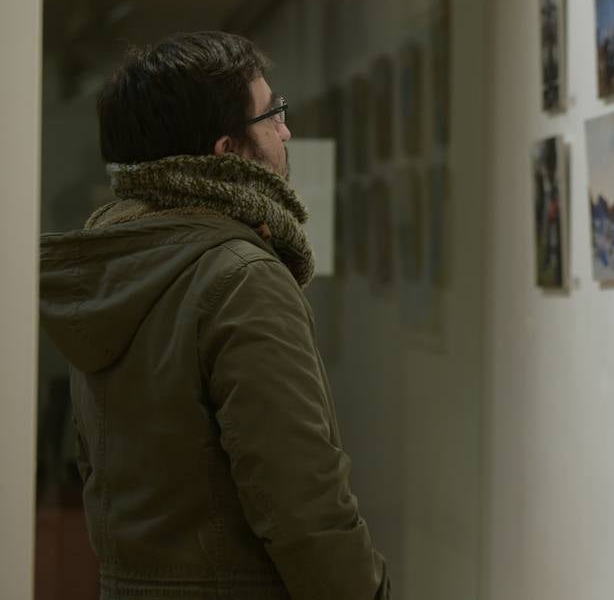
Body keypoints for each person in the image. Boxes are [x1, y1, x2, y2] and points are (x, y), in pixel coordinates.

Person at [39, 32, 389, 600]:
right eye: (273, 114)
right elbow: (302, 499)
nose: (286, 130)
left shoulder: (106, 268)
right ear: (228, 151)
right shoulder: (241, 277)